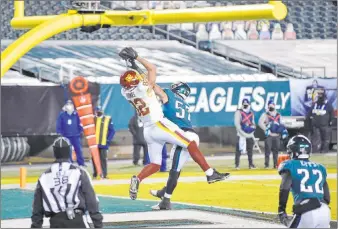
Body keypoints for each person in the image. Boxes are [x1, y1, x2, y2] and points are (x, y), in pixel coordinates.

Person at [119, 47, 228, 200]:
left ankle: (138, 179)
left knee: (155, 164)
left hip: (148, 131)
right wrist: (136, 58)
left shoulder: (125, 92)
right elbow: (151, 69)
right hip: (159, 124)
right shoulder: (146, 88)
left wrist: (131, 67)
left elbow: (135, 80)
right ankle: (210, 173)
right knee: (190, 143)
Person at [150, 81, 230, 210]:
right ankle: (164, 195)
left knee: (175, 170)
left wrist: (142, 76)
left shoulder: (169, 95)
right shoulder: (184, 104)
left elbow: (154, 88)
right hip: (191, 135)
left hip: (183, 136)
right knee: (175, 171)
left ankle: (209, 173)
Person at [31, 137, 103, 228]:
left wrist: (35, 225)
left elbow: (37, 209)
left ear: (55, 152)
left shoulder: (44, 177)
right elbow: (92, 200)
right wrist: (98, 224)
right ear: (69, 151)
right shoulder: (79, 172)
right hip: (77, 221)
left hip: (55, 222)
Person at [277, 135, 331, 228]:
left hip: (306, 211)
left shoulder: (290, 165)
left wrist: (281, 209)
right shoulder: (320, 167)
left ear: (293, 151)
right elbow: (327, 198)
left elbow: (284, 188)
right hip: (325, 212)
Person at [259, 100, 288, 169]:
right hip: (269, 135)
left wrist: (283, 130)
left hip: (277, 135)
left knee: (276, 151)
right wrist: (266, 129)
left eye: (272, 105)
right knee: (267, 151)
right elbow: (260, 123)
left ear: (274, 106)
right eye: (270, 105)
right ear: (268, 106)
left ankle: (275, 164)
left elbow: (282, 123)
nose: (271, 107)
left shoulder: (278, 115)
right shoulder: (265, 114)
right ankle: (266, 165)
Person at [56, 100, 85, 166]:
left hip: (76, 135)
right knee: (68, 150)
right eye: (68, 104)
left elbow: (80, 123)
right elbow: (59, 124)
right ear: (65, 106)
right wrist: (59, 132)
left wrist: (81, 130)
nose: (69, 106)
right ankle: (69, 163)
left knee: (78, 150)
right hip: (66, 135)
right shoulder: (62, 115)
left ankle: (81, 163)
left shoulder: (76, 114)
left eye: (70, 104)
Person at [306, 89, 334, 154]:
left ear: (324, 95)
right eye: (318, 94)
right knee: (315, 139)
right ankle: (315, 152)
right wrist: (309, 121)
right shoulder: (314, 104)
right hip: (315, 126)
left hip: (325, 125)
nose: (319, 96)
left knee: (325, 139)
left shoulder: (328, 105)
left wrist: (331, 122)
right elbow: (309, 114)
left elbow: (332, 114)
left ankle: (324, 151)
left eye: (321, 94)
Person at [234, 98, 257, 170]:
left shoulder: (251, 113)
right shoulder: (238, 112)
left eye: (246, 105)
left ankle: (251, 164)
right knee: (238, 150)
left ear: (249, 105)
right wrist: (243, 132)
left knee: (250, 150)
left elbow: (253, 123)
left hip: (249, 134)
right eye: (244, 105)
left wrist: (252, 129)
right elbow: (237, 124)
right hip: (241, 134)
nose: (245, 106)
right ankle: (237, 165)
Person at [93, 107, 115, 179]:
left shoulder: (107, 118)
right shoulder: (92, 119)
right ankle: (95, 174)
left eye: (100, 111)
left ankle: (104, 174)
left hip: (103, 143)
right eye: (97, 111)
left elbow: (112, 131)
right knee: (94, 159)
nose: (99, 112)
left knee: (103, 159)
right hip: (94, 144)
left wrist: (108, 140)